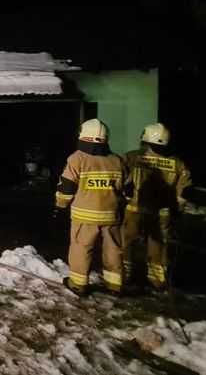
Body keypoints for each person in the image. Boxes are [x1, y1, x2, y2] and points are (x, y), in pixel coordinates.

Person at [54, 118, 128, 295]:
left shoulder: (77, 159)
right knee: (113, 249)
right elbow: (128, 189)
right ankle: (115, 285)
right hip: (111, 215)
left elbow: (66, 186)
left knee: (81, 248)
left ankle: (78, 285)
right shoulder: (116, 160)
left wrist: (60, 206)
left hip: (85, 217)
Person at [121, 123, 193, 291]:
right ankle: (158, 281)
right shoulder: (177, 163)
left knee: (127, 243)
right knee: (158, 246)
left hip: (134, 210)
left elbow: (122, 178)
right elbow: (185, 189)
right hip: (162, 213)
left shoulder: (133, 157)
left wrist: (123, 197)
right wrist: (178, 209)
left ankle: (124, 276)